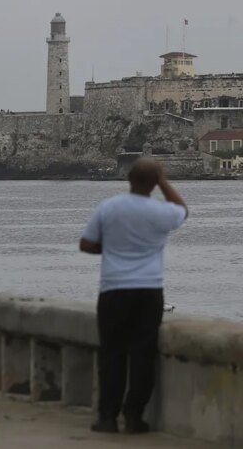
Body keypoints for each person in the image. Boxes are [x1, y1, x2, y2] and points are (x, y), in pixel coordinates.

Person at [81, 158, 187, 434]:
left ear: (128, 178)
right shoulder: (160, 212)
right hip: (149, 290)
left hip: (114, 289)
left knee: (112, 354)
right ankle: (134, 416)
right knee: (143, 355)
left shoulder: (109, 208)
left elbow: (87, 244)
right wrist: (162, 180)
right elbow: (182, 210)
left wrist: (114, 251)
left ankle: (106, 417)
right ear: (154, 183)